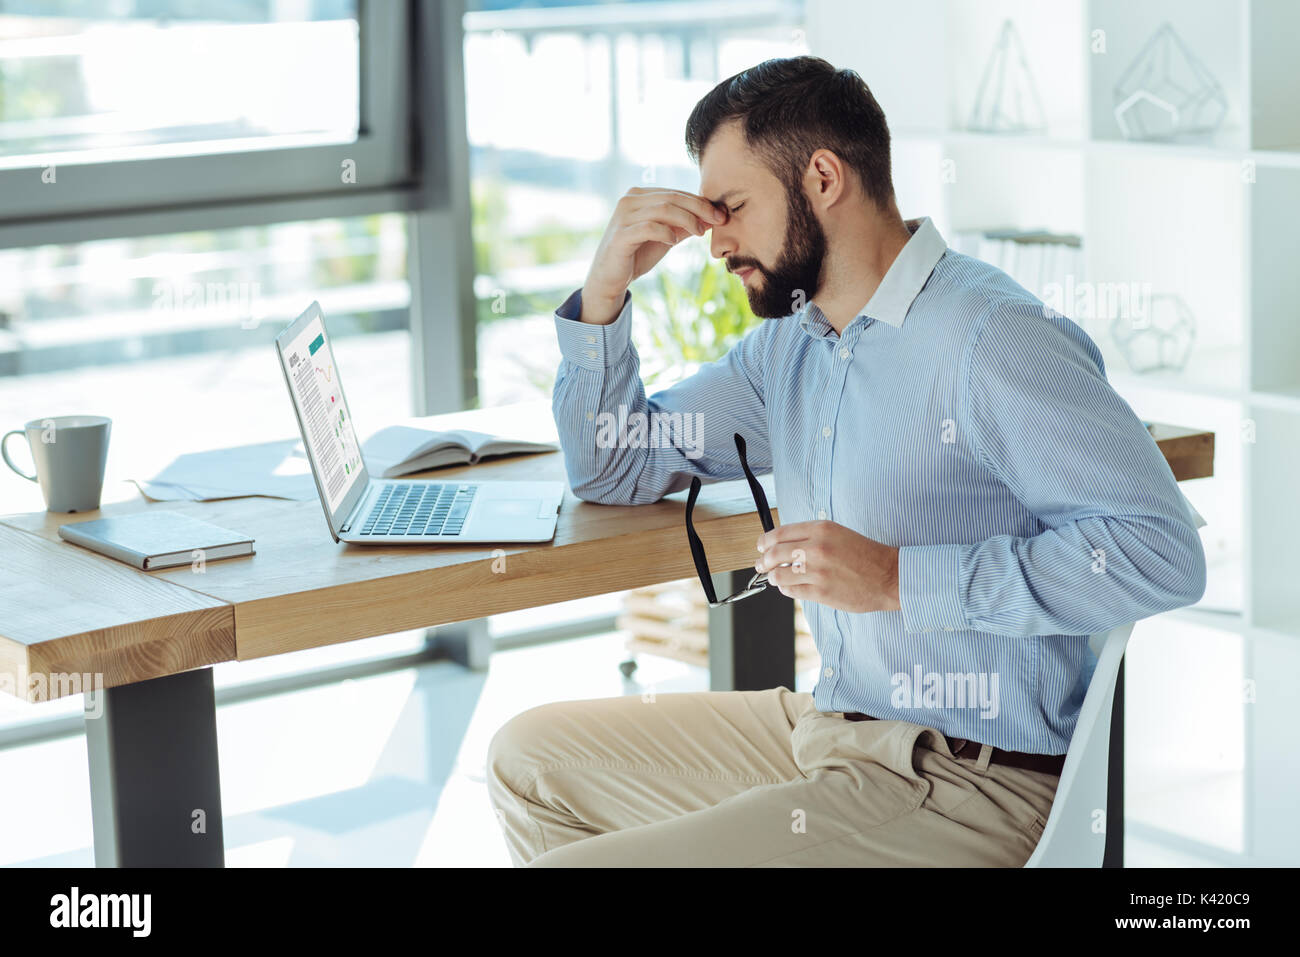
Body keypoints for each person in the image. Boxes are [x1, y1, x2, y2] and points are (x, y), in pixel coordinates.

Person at [487, 56, 1206, 867]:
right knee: (530, 761)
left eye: (731, 207)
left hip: (965, 779)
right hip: (834, 730)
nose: (715, 241)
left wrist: (901, 578)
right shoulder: (789, 349)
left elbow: (1161, 552)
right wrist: (605, 289)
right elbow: (614, 467)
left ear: (823, 176)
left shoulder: (991, 336)